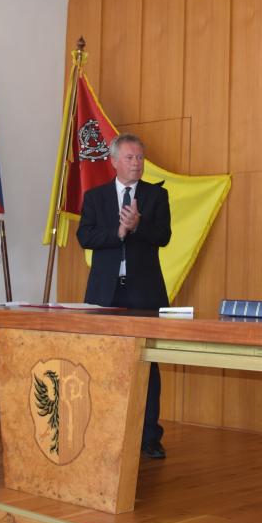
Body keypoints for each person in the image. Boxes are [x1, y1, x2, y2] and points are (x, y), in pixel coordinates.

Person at [77, 134, 171, 460]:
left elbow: (164, 236)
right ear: (114, 161)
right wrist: (117, 232)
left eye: (140, 158)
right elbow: (84, 236)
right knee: (102, 361)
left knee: (148, 365)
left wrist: (139, 225)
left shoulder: (156, 195)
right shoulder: (95, 197)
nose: (136, 163)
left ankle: (149, 437)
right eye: (130, 158)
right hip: (105, 294)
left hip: (144, 294)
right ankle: (104, 431)